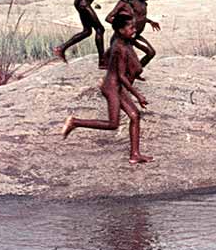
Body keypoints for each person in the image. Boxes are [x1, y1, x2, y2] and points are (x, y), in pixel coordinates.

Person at [62, 13, 153, 164]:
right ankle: (75, 122)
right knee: (113, 124)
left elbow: (107, 56)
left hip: (115, 86)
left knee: (135, 115)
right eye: (130, 28)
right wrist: (138, 96)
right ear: (120, 30)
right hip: (112, 88)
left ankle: (134, 155)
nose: (134, 30)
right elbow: (122, 77)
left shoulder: (121, 42)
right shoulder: (120, 48)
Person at [131, 0, 161, 68]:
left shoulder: (143, 3)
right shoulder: (132, 3)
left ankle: (135, 71)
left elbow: (140, 17)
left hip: (136, 35)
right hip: (128, 36)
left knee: (151, 52)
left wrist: (150, 21)